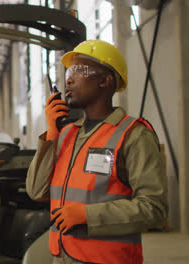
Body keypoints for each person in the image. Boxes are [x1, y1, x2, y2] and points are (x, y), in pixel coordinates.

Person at [25, 39, 168, 264]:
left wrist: (86, 215)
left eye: (79, 70)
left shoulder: (134, 135)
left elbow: (154, 208)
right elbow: (35, 191)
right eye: (69, 71)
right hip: (62, 257)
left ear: (105, 80)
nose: (69, 78)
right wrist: (51, 133)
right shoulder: (66, 134)